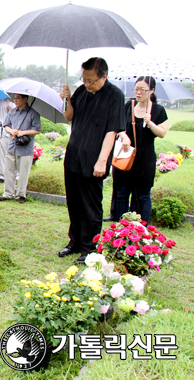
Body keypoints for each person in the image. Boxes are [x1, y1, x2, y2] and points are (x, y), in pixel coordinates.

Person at [59, 57, 125, 264]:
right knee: (74, 202)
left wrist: (102, 160)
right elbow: (70, 117)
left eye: (91, 81)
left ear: (104, 76)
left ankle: (90, 247)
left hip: (95, 158)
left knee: (91, 206)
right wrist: (67, 99)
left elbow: (112, 131)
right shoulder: (81, 91)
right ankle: (75, 241)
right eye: (84, 80)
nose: (87, 84)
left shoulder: (114, 96)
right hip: (74, 154)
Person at [113, 76, 168, 223]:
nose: (138, 93)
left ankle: (143, 230)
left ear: (151, 91)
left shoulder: (158, 110)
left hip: (145, 160)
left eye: (142, 90)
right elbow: (118, 127)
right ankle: (122, 229)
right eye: (136, 89)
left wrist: (149, 122)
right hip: (126, 156)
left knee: (144, 195)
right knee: (122, 193)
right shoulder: (128, 106)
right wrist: (124, 136)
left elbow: (162, 133)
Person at [0, 94, 41, 204]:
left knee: (23, 172)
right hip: (12, 146)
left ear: (25, 99)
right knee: (9, 170)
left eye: (18, 98)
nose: (15, 100)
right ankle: (8, 193)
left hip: (25, 147)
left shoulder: (33, 113)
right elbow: (6, 125)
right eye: (14, 98)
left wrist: (23, 132)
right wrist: (12, 131)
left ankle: (21, 194)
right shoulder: (12, 112)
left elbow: (37, 130)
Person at [0, 98, 14, 183]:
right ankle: (1, 176)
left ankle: (14, 176)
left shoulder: (17, 101)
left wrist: (13, 111)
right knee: (1, 154)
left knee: (13, 155)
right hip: (2, 131)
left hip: (15, 131)